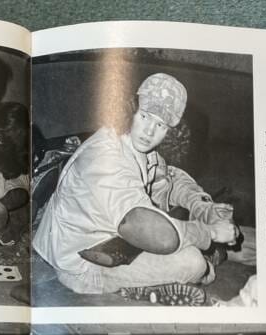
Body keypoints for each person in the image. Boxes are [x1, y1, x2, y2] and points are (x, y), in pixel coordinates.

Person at [33, 72, 245, 295]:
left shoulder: (137, 147)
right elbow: (153, 232)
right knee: (193, 263)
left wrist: (203, 207)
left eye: (160, 125)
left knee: (206, 234)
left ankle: (198, 259)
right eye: (144, 116)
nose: (149, 131)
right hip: (81, 266)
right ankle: (159, 283)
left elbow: (171, 178)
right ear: (131, 109)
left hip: (112, 243)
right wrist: (209, 233)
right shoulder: (105, 156)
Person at [0, 102, 30, 247]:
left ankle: (1, 231)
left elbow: (20, 178)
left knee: (24, 199)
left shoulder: (19, 145)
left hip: (7, 185)